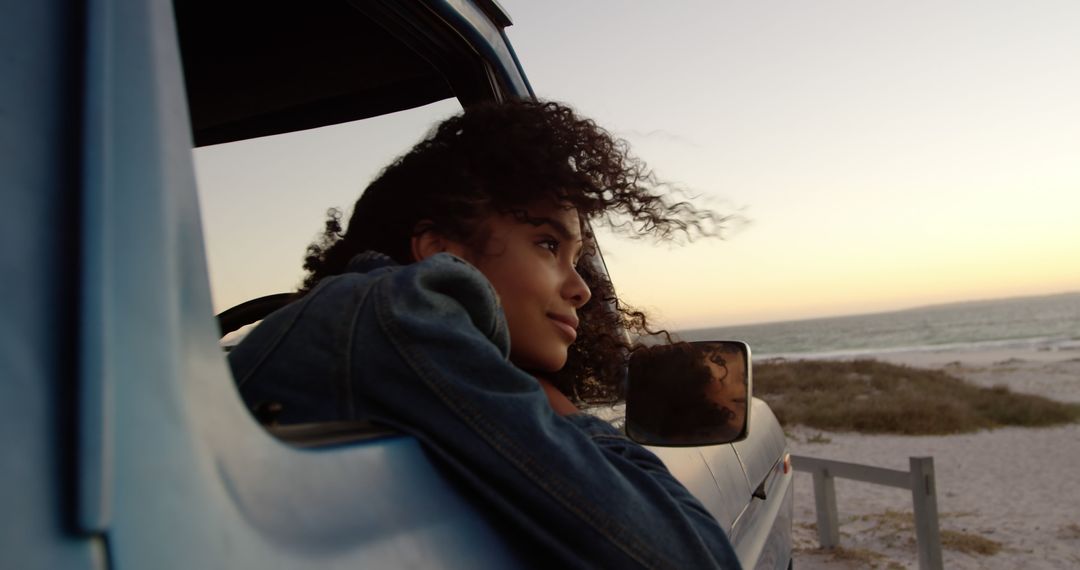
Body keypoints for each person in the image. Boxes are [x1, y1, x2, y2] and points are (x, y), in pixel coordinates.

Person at [228, 100, 741, 568]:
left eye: (577, 257)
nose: (581, 289)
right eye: (546, 244)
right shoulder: (397, 312)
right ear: (441, 251)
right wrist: (554, 406)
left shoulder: (363, 322)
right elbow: (691, 557)